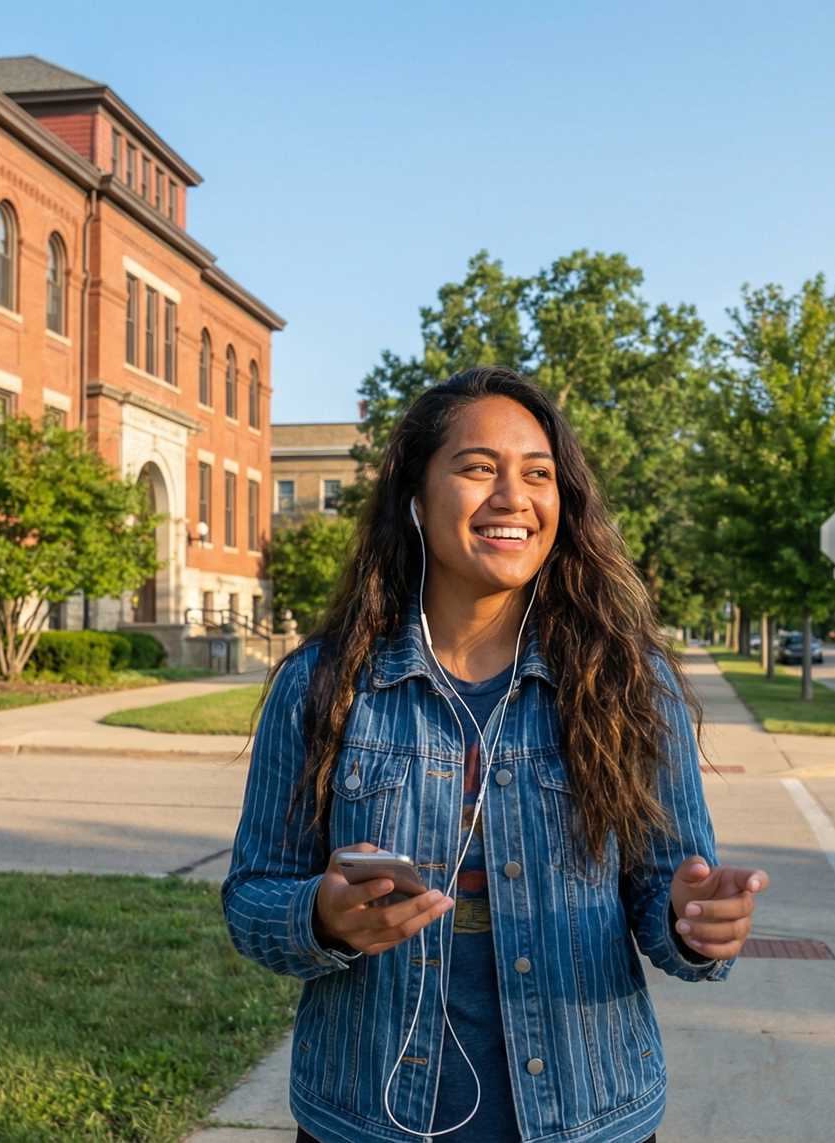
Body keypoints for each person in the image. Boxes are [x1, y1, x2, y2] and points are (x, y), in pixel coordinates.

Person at [224, 366, 768, 1143]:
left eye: (538, 474)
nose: (514, 496)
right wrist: (321, 915)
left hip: (591, 1115)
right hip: (367, 1119)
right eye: (479, 468)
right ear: (416, 495)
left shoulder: (630, 685)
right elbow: (251, 898)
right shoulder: (324, 684)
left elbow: (665, 894)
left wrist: (694, 923)